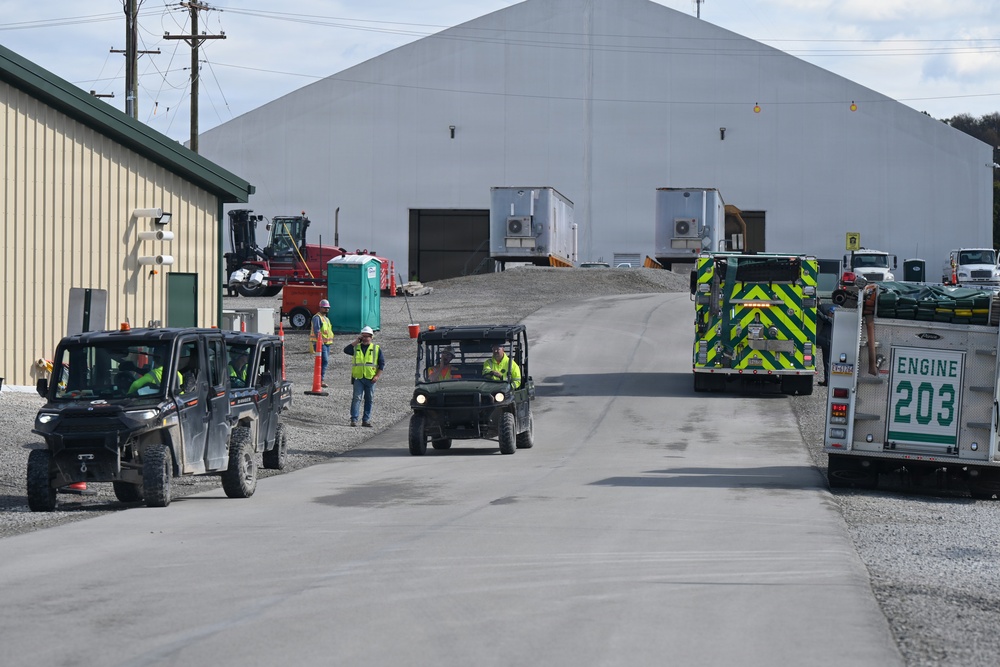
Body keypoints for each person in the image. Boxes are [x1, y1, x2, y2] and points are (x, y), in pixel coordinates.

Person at [344, 326, 385, 427]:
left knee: (369, 399)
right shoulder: (356, 348)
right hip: (358, 378)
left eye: (368, 336)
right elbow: (346, 350)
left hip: (371, 378)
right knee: (356, 398)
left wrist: (377, 376)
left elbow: (382, 364)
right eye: (364, 336)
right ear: (361, 337)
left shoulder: (376, 349)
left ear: (371, 337)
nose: (366, 338)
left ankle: (365, 420)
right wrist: (356, 341)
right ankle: (354, 419)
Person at [310, 299, 335, 388]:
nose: (326, 309)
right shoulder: (317, 318)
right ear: (320, 307)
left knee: (324, 361)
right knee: (324, 361)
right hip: (320, 343)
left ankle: (320, 380)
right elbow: (317, 331)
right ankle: (320, 380)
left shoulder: (326, 319)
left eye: (327, 308)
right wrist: (320, 343)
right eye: (325, 308)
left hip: (326, 343)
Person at [817, 301, 836, 387]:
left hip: (826, 341)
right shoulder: (831, 320)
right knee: (826, 362)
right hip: (827, 342)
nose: (828, 314)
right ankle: (827, 380)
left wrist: (816, 309)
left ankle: (827, 380)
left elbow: (823, 317)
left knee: (810, 339)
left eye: (829, 313)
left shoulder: (833, 320)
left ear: (832, 314)